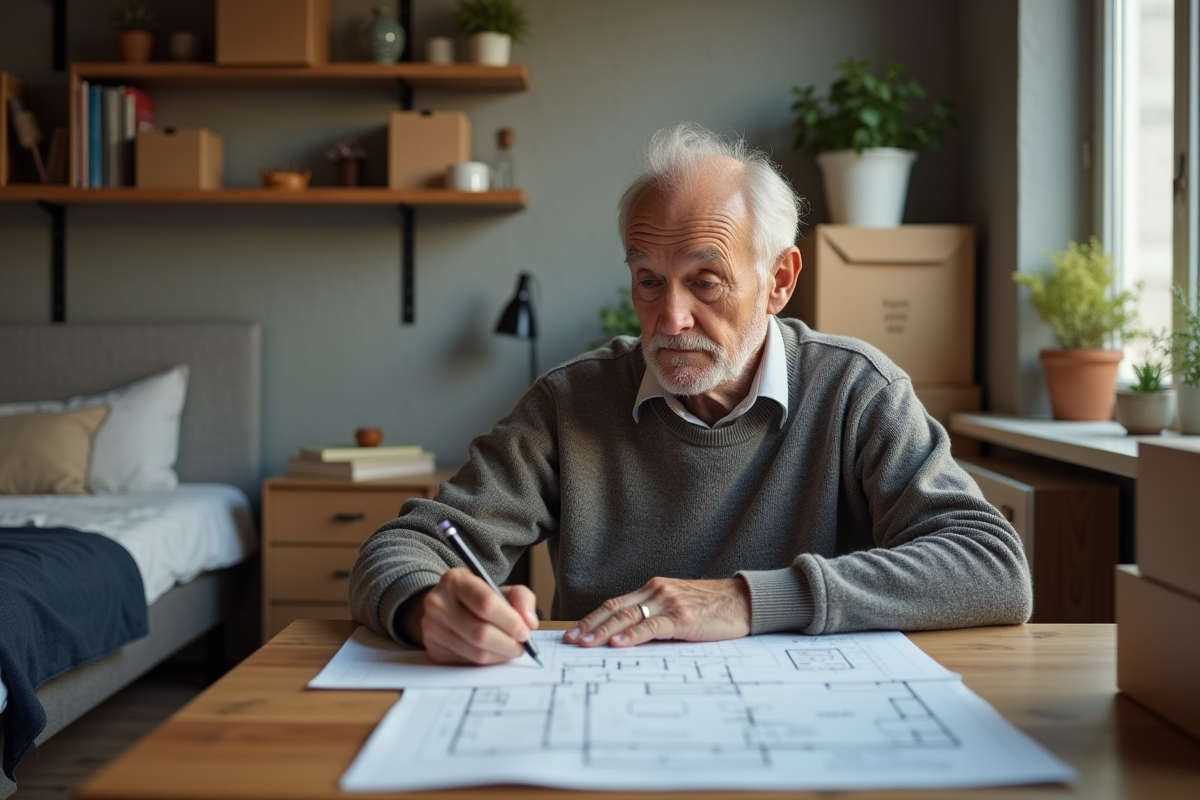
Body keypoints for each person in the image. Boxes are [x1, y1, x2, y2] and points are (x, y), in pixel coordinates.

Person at [349, 123, 1031, 666]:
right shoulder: (570, 404)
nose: (669, 320)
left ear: (780, 280)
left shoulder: (856, 390)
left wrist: (747, 600)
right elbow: (405, 547)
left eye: (705, 281)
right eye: (648, 281)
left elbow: (992, 566)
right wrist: (425, 607)